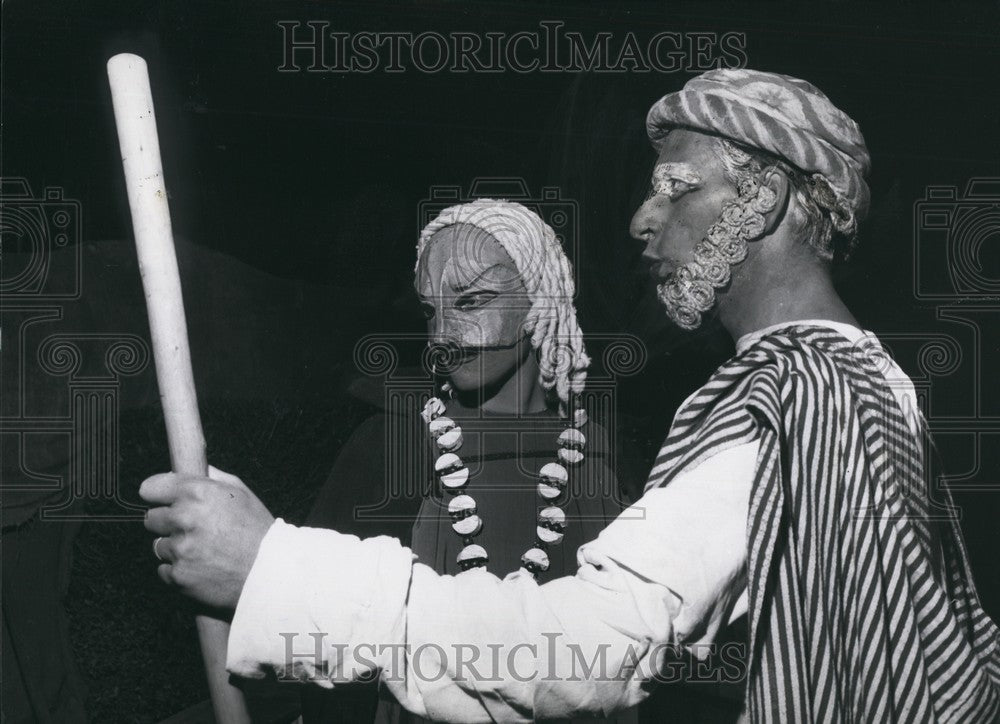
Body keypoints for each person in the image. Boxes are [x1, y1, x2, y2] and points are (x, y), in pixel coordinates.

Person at [140, 69, 1000, 722]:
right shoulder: (866, 378)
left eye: (677, 188)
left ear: (764, 197)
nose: (640, 218)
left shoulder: (800, 397)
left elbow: (589, 650)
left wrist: (275, 569)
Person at [300, 200, 630, 723]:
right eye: (431, 310)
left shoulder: (598, 455)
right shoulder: (394, 446)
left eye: (472, 300)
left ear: (541, 296)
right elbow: (323, 642)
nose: (443, 334)